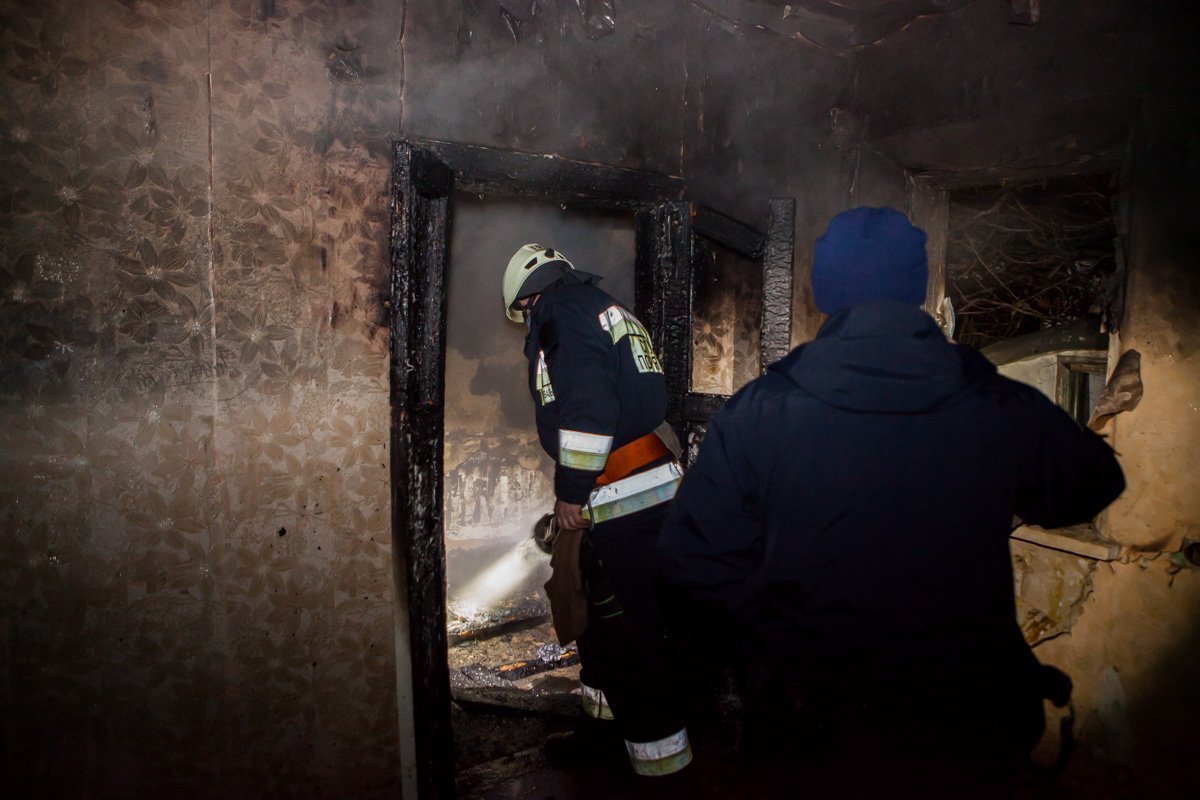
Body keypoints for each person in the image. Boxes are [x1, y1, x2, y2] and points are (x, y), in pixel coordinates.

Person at [657, 207, 1125, 798]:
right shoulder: (993, 403)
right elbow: (1090, 484)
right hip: (961, 720)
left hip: (810, 721)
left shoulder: (760, 409)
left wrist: (770, 645)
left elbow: (690, 565)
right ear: (917, 288)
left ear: (823, 290)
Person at [502, 243, 692, 779]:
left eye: (522, 318)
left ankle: (664, 770)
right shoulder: (601, 305)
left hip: (623, 497)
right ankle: (604, 736)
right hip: (639, 493)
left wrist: (570, 490)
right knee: (603, 630)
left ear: (524, 300)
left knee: (632, 639)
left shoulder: (560, 311)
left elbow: (587, 408)